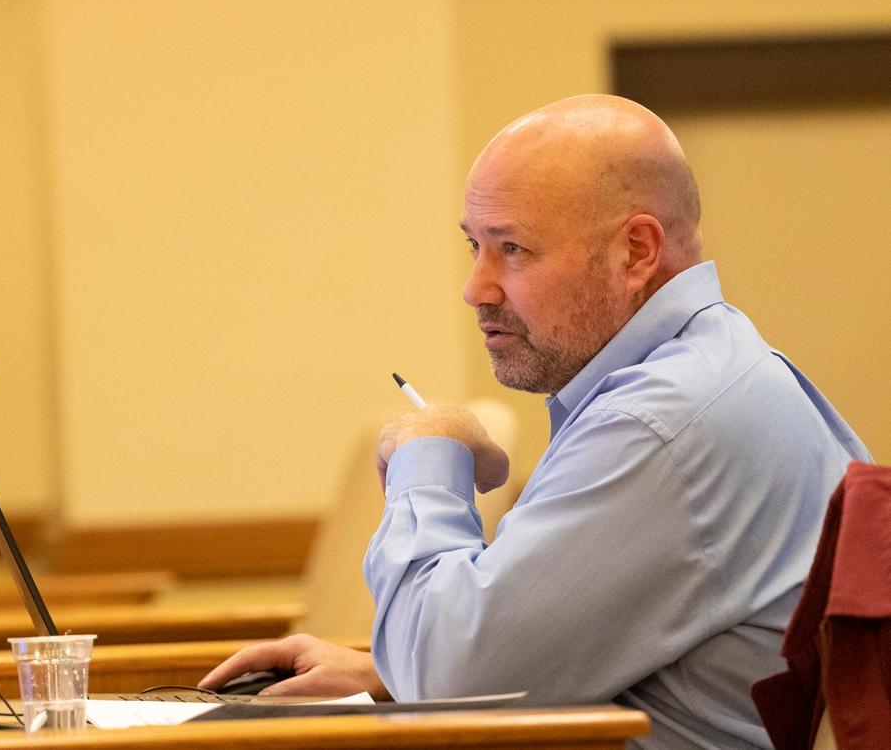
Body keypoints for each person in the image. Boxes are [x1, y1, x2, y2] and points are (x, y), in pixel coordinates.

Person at [200, 95, 872, 748]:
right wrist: (386, 677)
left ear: (637, 252)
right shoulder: (714, 368)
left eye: (513, 250)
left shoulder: (661, 424)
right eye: (475, 246)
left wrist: (427, 457)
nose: (476, 289)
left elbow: (448, 677)